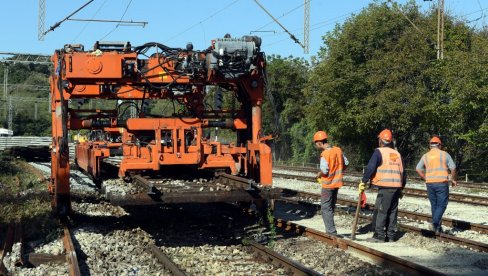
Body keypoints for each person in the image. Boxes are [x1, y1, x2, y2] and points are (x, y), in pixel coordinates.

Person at [361, 129, 406, 243]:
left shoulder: (379, 152)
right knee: (392, 211)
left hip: (385, 187)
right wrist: (401, 188)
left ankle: (379, 236)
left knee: (381, 210)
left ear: (380, 140)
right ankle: (391, 236)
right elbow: (403, 173)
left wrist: (364, 181)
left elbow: (371, 167)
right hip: (396, 187)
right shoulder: (397, 154)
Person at [415, 136, 457, 235]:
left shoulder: (425, 156)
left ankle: (437, 228)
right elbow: (453, 168)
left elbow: (418, 168)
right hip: (441, 183)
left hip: (430, 184)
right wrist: (453, 179)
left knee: (434, 205)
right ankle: (434, 223)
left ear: (430, 145)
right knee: (442, 204)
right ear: (439, 145)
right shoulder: (444, 154)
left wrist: (425, 178)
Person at [313, 130, 349, 237]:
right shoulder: (338, 150)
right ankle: (331, 230)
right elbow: (346, 163)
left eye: (316, 143)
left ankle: (331, 232)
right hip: (337, 183)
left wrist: (319, 174)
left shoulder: (324, 154)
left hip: (328, 185)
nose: (316, 145)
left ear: (319, 142)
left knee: (325, 207)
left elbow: (324, 170)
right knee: (331, 206)